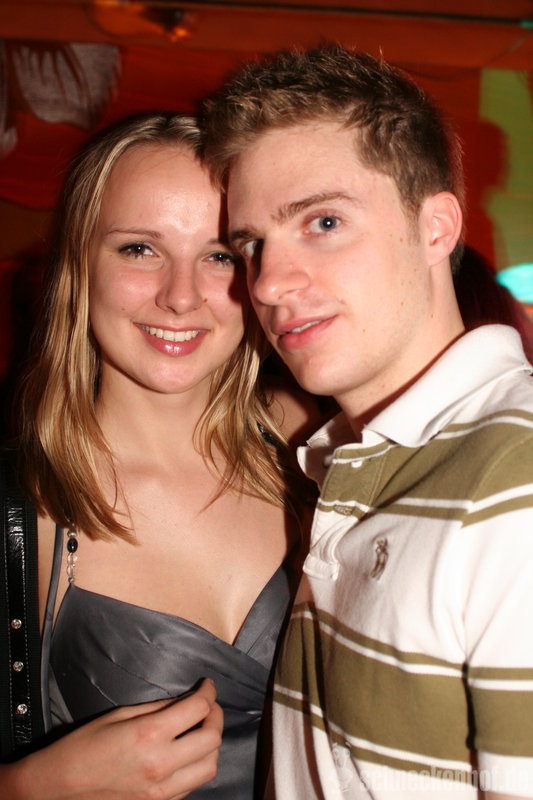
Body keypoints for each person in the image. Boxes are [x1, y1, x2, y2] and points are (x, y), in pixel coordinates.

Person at [202, 45, 533, 798]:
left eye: (323, 221)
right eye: (251, 245)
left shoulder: (514, 484)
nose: (269, 284)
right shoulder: (341, 458)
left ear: (435, 228)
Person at [0, 112, 316, 798]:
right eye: (140, 248)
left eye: (220, 255)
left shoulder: (318, 456)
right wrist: (31, 786)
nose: (180, 296)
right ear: (78, 264)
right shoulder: (23, 507)